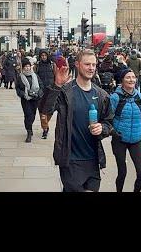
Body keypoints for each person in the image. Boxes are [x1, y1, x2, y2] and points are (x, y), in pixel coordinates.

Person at [39, 49, 114, 192]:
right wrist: (56, 85)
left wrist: (102, 128)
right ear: (78, 65)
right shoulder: (66, 91)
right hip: (70, 160)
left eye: (93, 64)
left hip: (93, 159)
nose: (91, 68)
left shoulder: (101, 95)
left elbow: (109, 122)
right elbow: (45, 109)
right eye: (87, 64)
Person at [109, 69, 141, 192]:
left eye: (133, 77)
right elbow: (108, 117)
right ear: (122, 80)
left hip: (136, 139)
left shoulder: (140, 97)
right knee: (122, 172)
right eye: (128, 77)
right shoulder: (115, 97)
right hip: (120, 139)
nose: (131, 80)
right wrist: (113, 131)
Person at [15, 57, 44, 143]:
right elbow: (18, 89)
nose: (27, 68)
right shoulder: (20, 77)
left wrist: (39, 94)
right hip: (25, 99)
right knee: (28, 114)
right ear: (23, 67)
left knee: (33, 115)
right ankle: (29, 131)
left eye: (28, 66)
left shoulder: (35, 76)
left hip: (35, 99)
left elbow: (41, 86)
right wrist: (23, 94)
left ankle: (29, 126)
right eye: (26, 66)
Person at [35, 50, 55, 139]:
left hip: (51, 91)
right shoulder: (37, 66)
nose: (43, 57)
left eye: (45, 55)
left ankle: (45, 123)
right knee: (42, 111)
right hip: (41, 91)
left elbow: (56, 76)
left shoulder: (52, 65)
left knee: (50, 111)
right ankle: (45, 129)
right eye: (42, 55)